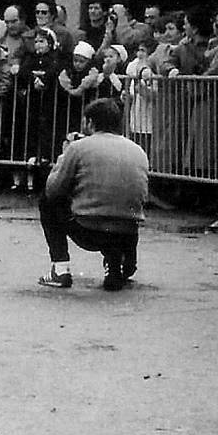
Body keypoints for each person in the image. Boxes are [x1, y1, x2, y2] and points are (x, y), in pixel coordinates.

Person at [37, 98, 149, 291]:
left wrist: (64, 155)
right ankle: (117, 267)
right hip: (127, 230)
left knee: (47, 202)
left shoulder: (78, 147)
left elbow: (53, 189)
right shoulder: (138, 150)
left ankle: (60, 269)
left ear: (89, 122)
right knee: (118, 204)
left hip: (88, 228)